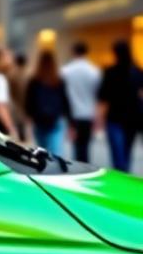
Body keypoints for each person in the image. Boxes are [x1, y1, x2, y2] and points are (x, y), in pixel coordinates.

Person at [97, 40, 143, 172]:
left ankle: (122, 176)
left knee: (118, 156)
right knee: (127, 153)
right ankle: (125, 177)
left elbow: (103, 97)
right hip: (133, 118)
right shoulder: (137, 71)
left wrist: (99, 118)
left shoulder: (110, 72)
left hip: (115, 117)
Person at [61, 42, 101, 162]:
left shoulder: (65, 71)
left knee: (76, 146)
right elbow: (97, 94)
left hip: (72, 113)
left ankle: (78, 167)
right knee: (85, 146)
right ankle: (85, 167)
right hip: (89, 113)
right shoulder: (94, 71)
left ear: (73, 52)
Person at [24, 50, 70, 155]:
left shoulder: (34, 80)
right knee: (56, 152)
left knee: (42, 151)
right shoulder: (58, 80)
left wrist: (29, 118)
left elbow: (28, 101)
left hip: (39, 119)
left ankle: (46, 170)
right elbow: (65, 100)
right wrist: (70, 120)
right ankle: (56, 170)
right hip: (55, 118)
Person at [9, 52, 30, 142]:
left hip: (16, 104)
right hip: (27, 104)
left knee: (19, 126)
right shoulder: (29, 75)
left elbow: (10, 91)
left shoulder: (11, 75)